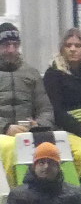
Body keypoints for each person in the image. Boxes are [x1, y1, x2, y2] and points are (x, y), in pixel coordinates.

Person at [0, 21, 54, 162]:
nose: (11, 50)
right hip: (3, 135)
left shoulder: (31, 73)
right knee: (11, 148)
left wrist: (38, 125)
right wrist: (5, 128)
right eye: (6, 45)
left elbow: (46, 109)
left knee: (53, 150)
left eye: (15, 45)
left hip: (29, 134)